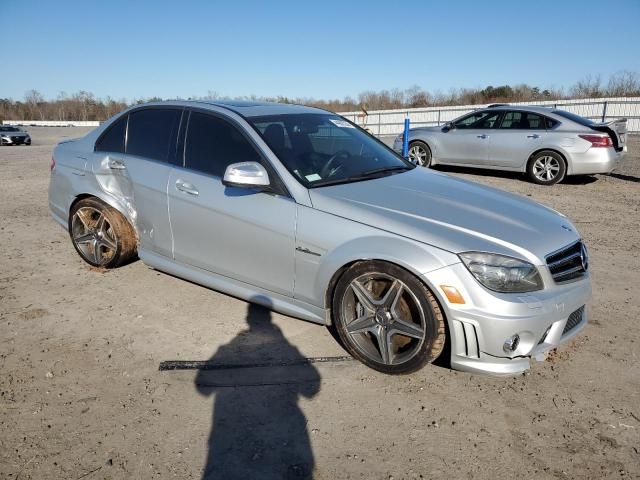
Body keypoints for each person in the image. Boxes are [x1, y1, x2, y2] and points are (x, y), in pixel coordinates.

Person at [195, 298, 321, 479]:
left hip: (230, 438)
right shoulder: (289, 348)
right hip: (287, 428)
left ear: (248, 320)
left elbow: (202, 387)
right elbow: (312, 388)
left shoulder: (226, 349)